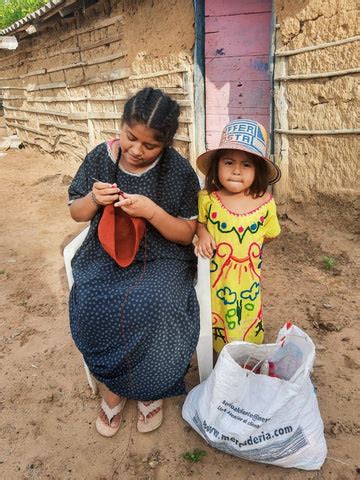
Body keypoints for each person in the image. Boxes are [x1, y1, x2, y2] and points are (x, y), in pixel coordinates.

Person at [68, 87, 200, 437]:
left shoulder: (178, 172)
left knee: (156, 302)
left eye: (150, 145)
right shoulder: (100, 158)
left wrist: (153, 212)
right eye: (130, 138)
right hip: (106, 251)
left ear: (167, 144)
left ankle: (150, 387)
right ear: (121, 126)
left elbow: (186, 233)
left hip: (163, 254)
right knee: (95, 301)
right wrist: (94, 199)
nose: (137, 150)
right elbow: (75, 212)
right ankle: (115, 386)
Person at [194, 119, 281, 353]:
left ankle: (246, 355)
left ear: (258, 171)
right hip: (217, 279)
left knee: (246, 316)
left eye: (246, 165)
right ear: (216, 166)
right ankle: (219, 359)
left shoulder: (265, 204)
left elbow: (270, 235)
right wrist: (203, 234)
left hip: (248, 281)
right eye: (229, 162)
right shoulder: (208, 199)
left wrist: (249, 250)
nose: (236, 170)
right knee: (218, 314)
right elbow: (200, 223)